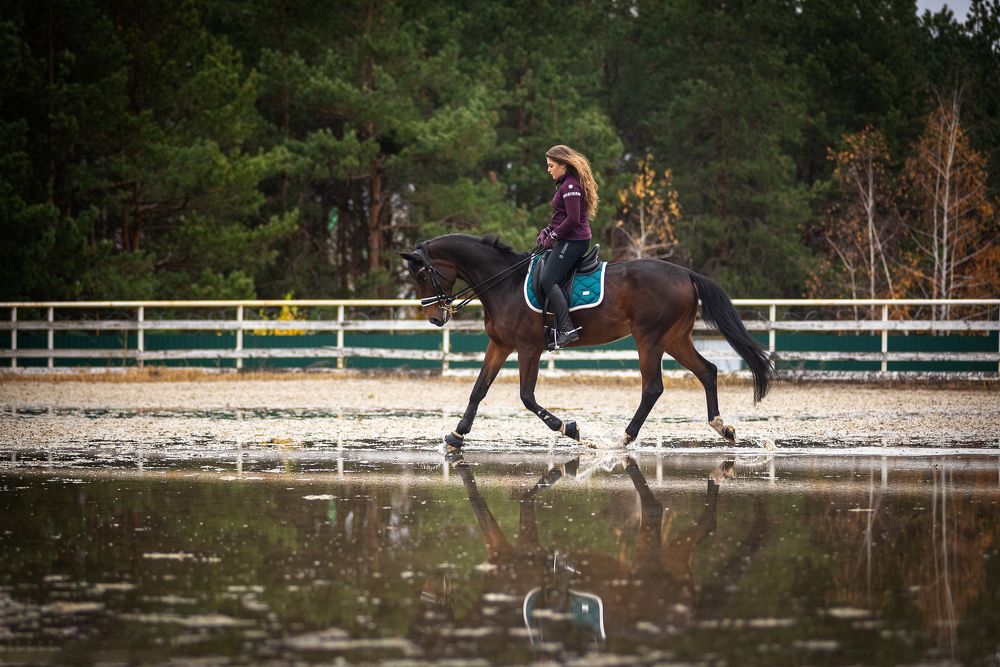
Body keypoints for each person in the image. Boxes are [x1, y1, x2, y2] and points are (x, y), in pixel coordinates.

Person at [535, 144, 599, 348]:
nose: (548, 169)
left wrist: (554, 235)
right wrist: (548, 229)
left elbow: (573, 218)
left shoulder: (571, 186)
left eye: (551, 165)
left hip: (575, 240)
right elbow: (561, 216)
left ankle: (567, 328)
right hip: (569, 239)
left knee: (548, 279)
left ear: (563, 164)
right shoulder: (565, 184)